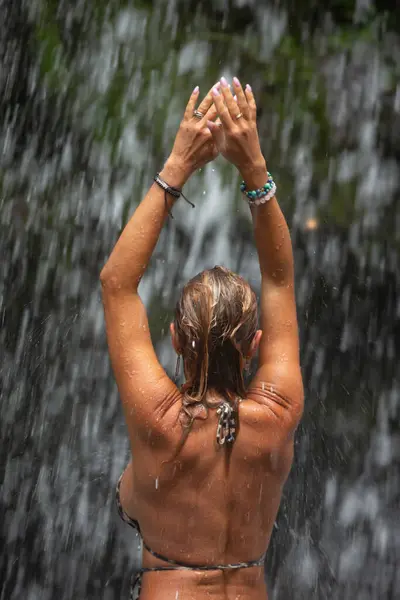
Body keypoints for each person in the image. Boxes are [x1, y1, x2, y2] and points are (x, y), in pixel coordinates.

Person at [100, 76, 304, 600]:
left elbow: (117, 284)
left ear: (175, 340)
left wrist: (177, 167)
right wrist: (255, 171)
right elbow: (280, 280)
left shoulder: (159, 422)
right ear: (255, 345)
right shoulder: (278, 414)